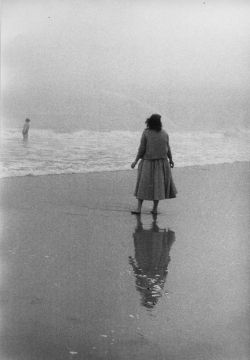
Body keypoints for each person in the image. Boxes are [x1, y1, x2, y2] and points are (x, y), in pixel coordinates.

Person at [131, 114, 177, 214]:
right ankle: (155, 209)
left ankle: (139, 208)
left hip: (148, 162)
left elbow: (142, 148)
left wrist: (135, 161)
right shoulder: (164, 133)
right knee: (158, 187)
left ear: (149, 122)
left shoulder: (146, 133)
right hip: (162, 163)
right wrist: (171, 160)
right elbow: (168, 148)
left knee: (142, 186)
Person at [129, 215, 175, 310]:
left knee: (152, 247)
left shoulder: (149, 288)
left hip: (151, 263)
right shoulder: (151, 288)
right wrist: (132, 264)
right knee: (151, 247)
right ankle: (149, 227)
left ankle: (151, 227)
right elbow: (164, 274)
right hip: (153, 263)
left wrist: (133, 264)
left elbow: (138, 274)